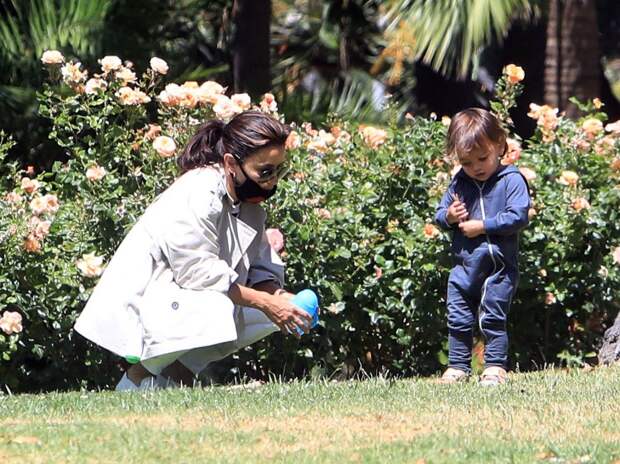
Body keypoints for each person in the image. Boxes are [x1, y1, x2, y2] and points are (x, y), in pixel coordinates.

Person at [75, 110, 312, 390]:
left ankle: (180, 373)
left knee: (277, 308)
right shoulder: (198, 190)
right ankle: (137, 376)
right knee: (220, 301)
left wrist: (283, 299)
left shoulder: (249, 205)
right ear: (231, 164)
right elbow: (199, 275)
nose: (273, 181)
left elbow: (260, 272)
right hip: (147, 305)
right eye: (265, 171)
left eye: (278, 171)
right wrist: (268, 302)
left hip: (185, 299)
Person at [435, 108, 530, 386]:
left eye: (482, 158)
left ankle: (495, 367)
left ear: (499, 145)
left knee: (491, 315)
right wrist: (449, 216)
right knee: (458, 317)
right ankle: (458, 367)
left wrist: (482, 226)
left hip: (498, 268)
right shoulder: (460, 182)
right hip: (464, 266)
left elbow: (518, 215)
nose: (476, 167)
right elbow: (440, 214)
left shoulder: (510, 180)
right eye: (466, 162)